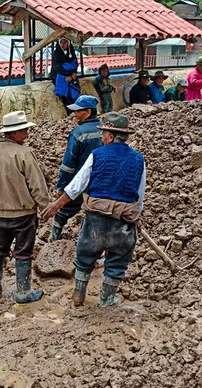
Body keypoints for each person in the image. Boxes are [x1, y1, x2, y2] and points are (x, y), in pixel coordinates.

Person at [41, 112, 146, 308]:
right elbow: (139, 195)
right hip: (123, 221)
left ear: (112, 136)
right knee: (117, 261)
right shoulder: (138, 159)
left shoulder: (97, 155)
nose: (102, 137)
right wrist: (135, 217)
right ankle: (107, 299)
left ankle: (79, 294)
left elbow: (76, 186)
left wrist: (57, 204)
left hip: (96, 219)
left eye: (104, 133)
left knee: (85, 256)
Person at [0, 111, 49, 303]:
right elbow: (37, 185)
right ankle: (23, 292)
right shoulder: (24, 154)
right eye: (24, 129)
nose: (27, 132)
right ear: (15, 133)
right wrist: (45, 207)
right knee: (23, 252)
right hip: (22, 214)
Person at [50, 95, 104, 242]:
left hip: (81, 182)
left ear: (87, 112)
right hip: (101, 183)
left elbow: (68, 165)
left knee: (65, 210)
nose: (75, 114)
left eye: (77, 111)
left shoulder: (78, 133)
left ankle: (54, 238)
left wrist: (62, 186)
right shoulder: (105, 130)